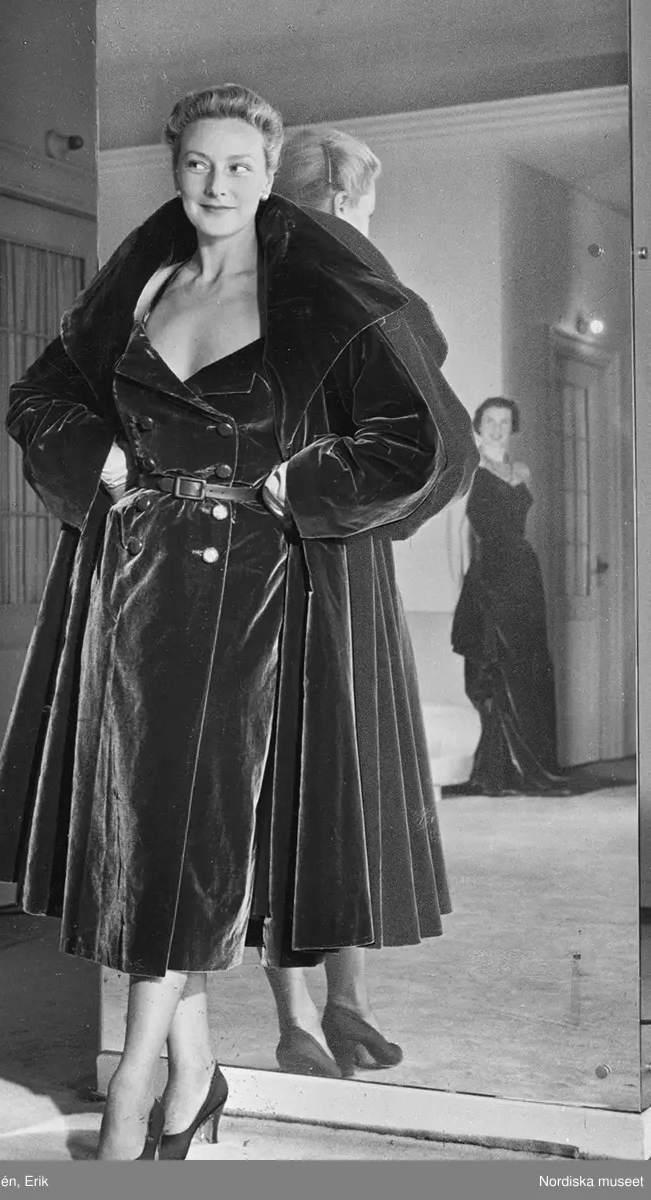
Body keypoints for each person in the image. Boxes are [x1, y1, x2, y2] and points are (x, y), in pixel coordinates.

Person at [0, 84, 478, 1160]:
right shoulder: (141, 286)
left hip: (252, 592)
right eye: (198, 164)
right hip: (129, 586)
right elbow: (38, 399)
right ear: (175, 168)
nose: (216, 184)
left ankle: (133, 1090)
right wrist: (99, 459)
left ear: (269, 172)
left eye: (240, 166)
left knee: (185, 838)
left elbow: (423, 442)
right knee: (142, 834)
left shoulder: (318, 297)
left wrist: (304, 486)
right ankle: (193, 1077)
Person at [259, 125, 437, 1080]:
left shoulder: (258, 285)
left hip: (308, 556)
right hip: (315, 558)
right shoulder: (347, 291)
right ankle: (320, 1013)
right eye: (361, 205)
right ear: (335, 201)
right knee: (316, 780)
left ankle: (328, 1011)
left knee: (312, 781)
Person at [451, 397, 571, 797]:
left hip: (524, 575)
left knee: (528, 667)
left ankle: (528, 767)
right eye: (491, 420)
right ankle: (498, 772)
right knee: (494, 669)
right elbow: (457, 534)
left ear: (512, 427)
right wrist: (462, 588)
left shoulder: (523, 471)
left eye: (505, 421)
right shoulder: (469, 472)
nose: (498, 428)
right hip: (489, 578)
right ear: (478, 426)